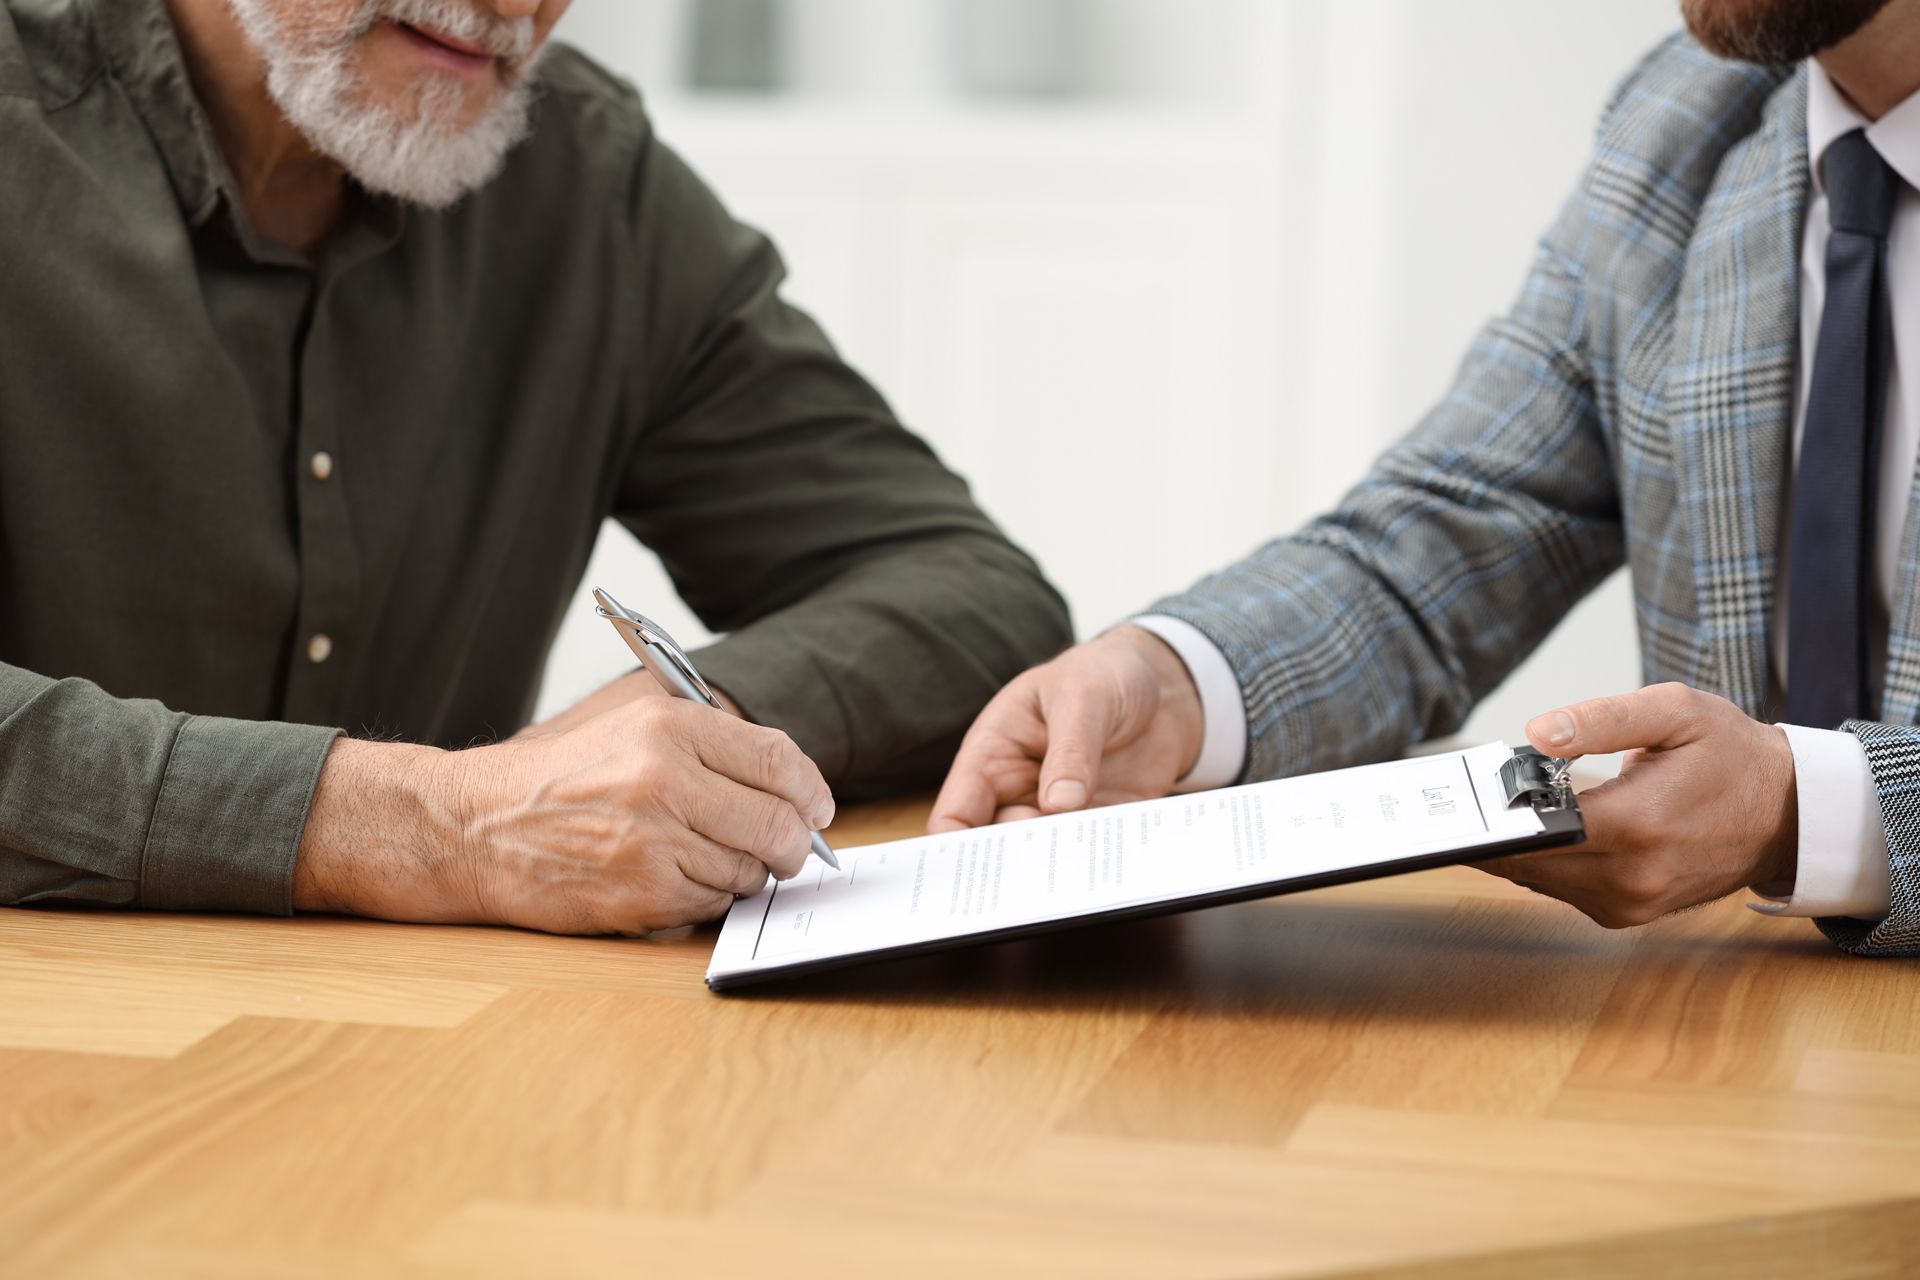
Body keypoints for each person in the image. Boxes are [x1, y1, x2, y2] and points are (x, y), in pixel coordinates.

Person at [0, 0, 1070, 935]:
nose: (519, 4)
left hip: (426, 1068)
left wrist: (686, 728)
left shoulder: (586, 175)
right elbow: (453, 823)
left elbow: (969, 588)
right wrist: (433, 822)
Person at [934, 0, 1920, 956]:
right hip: (1728, 1041)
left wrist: (1813, 810)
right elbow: (1452, 534)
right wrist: (1180, 680)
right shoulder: (1693, 118)